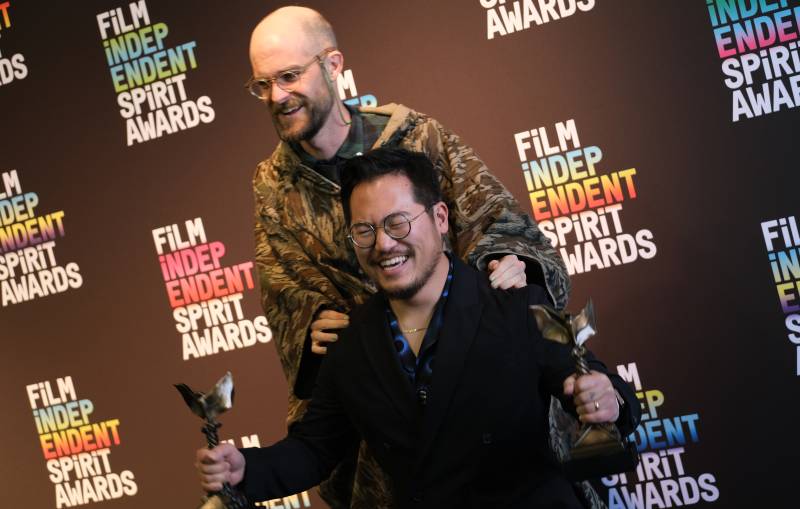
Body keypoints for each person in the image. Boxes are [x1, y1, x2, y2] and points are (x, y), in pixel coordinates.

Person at [247, 6, 570, 507]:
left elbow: (497, 219)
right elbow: (283, 286)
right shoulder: (272, 186)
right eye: (263, 85)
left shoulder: (417, 135)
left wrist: (509, 262)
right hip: (382, 407)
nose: (277, 96)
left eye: (289, 77)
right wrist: (314, 321)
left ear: (333, 66)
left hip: (475, 384)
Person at [198, 148, 640, 508]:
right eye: (365, 231)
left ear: (441, 219)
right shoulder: (351, 344)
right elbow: (313, 449)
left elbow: (596, 385)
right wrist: (245, 470)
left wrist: (608, 401)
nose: (384, 244)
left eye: (397, 223)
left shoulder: (514, 303)